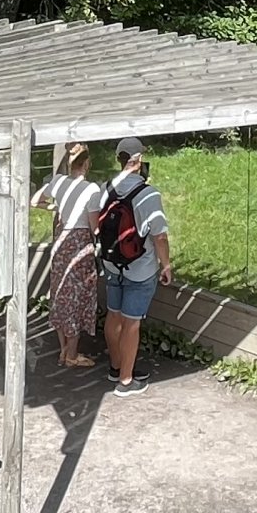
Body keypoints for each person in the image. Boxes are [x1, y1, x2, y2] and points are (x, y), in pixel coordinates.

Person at [94, 135, 171, 397]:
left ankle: (116, 367)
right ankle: (126, 381)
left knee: (113, 315)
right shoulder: (148, 194)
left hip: (111, 264)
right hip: (140, 268)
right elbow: (159, 236)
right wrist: (166, 265)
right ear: (138, 160)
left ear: (119, 159)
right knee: (131, 323)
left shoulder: (105, 189)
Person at [31, 141, 104, 369]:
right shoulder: (92, 189)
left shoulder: (58, 181)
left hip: (60, 242)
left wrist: (56, 208)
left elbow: (35, 201)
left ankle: (64, 349)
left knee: (61, 293)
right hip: (79, 242)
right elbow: (94, 227)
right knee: (77, 295)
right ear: (87, 164)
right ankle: (72, 354)